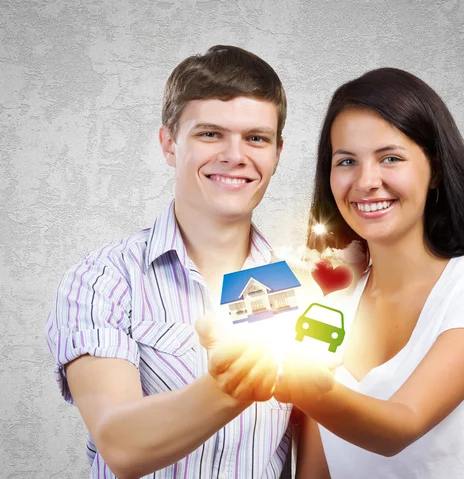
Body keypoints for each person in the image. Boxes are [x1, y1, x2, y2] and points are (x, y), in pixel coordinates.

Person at [203, 67, 464, 478]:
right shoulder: (332, 306)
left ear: (434, 169)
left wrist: (293, 380)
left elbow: (400, 425)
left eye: (390, 158)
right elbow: (214, 319)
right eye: (346, 161)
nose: (366, 182)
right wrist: (314, 279)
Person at [45, 45, 293, 479]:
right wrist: (232, 386)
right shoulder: (103, 279)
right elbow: (120, 445)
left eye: (256, 138)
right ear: (168, 144)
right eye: (210, 134)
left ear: (276, 152)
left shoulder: (296, 286)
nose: (235, 155)